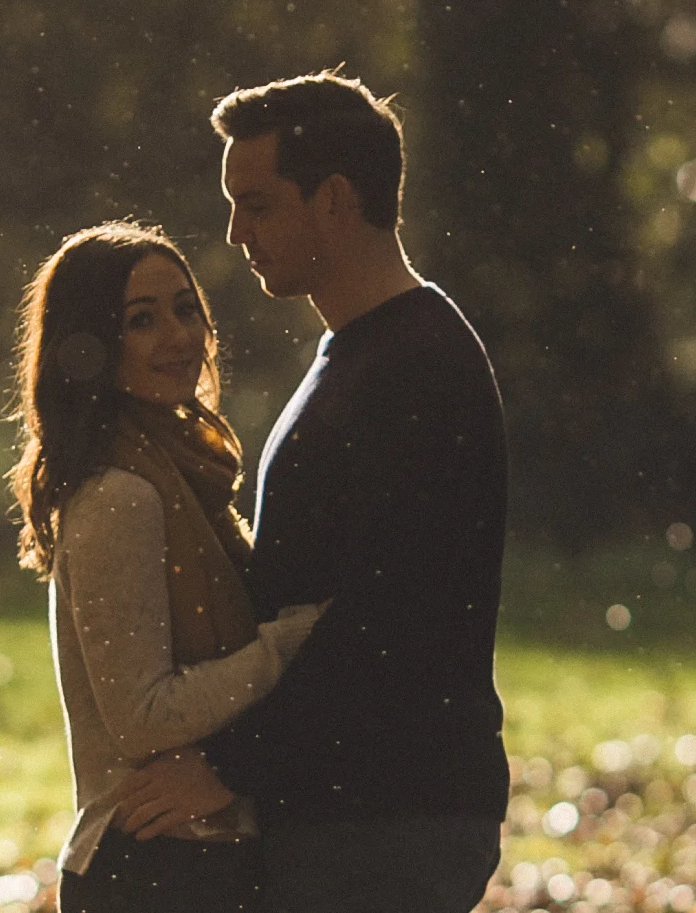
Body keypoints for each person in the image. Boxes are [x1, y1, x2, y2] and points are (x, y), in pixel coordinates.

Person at [113, 72, 510, 912]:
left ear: (334, 199)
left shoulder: (419, 367)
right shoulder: (363, 354)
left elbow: (385, 618)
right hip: (351, 808)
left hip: (390, 817)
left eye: (257, 205)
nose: (235, 233)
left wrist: (226, 766)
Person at [8, 221, 323, 913]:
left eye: (186, 309)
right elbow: (142, 717)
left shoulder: (185, 477)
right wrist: (287, 645)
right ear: (92, 345)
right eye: (141, 320)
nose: (178, 336)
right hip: (153, 866)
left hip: (193, 860)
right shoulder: (120, 494)